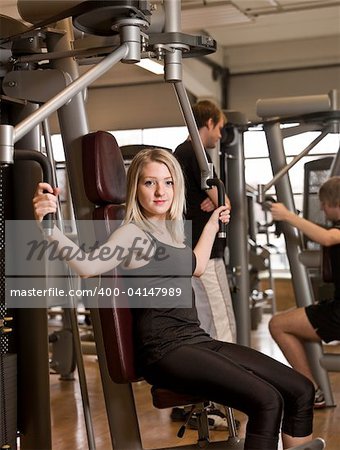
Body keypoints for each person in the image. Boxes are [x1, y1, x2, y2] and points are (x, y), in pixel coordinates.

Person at [33, 148, 315, 450]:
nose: (160, 192)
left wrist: (212, 224)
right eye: (149, 183)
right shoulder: (132, 234)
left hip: (195, 339)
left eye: (168, 182)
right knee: (267, 400)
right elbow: (87, 267)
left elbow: (196, 266)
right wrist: (47, 227)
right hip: (164, 348)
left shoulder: (172, 231)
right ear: (135, 188)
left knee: (300, 389)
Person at [269, 176, 340, 409]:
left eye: (323, 203)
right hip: (334, 306)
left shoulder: (334, 232)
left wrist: (288, 216)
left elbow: (328, 237)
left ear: (334, 203)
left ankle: (311, 391)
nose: (321, 207)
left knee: (277, 324)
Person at [174, 100, 236, 343]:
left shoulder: (179, 152)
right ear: (208, 123)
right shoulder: (197, 154)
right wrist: (221, 202)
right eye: (219, 128)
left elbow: (213, 199)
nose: (220, 135)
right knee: (221, 318)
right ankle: (234, 375)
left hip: (192, 250)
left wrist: (215, 200)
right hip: (206, 251)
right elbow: (226, 203)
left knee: (205, 318)